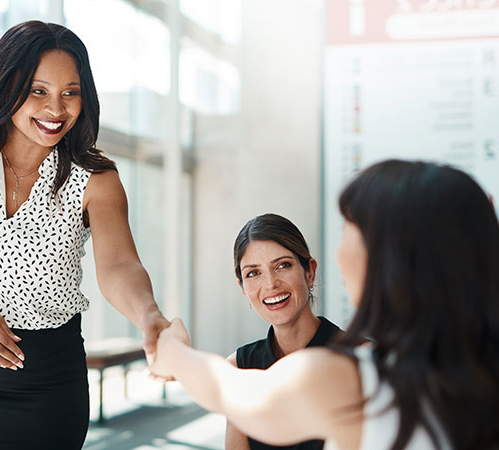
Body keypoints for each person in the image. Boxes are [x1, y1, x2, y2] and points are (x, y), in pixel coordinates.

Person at [0, 21, 169, 450]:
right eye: (38, 90)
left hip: (47, 388)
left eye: (71, 92)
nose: (56, 109)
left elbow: (120, 265)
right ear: (6, 85)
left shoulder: (96, 178)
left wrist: (148, 315)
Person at [150, 160, 499, 450]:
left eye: (349, 229)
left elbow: (227, 389)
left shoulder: (358, 379)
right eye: (253, 273)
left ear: (389, 260)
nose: (340, 250)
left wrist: (172, 349)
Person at [227, 213, 341, 450]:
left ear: (309, 272)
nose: (270, 284)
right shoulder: (238, 368)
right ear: (243, 288)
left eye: (282, 265)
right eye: (253, 273)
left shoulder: (361, 358)